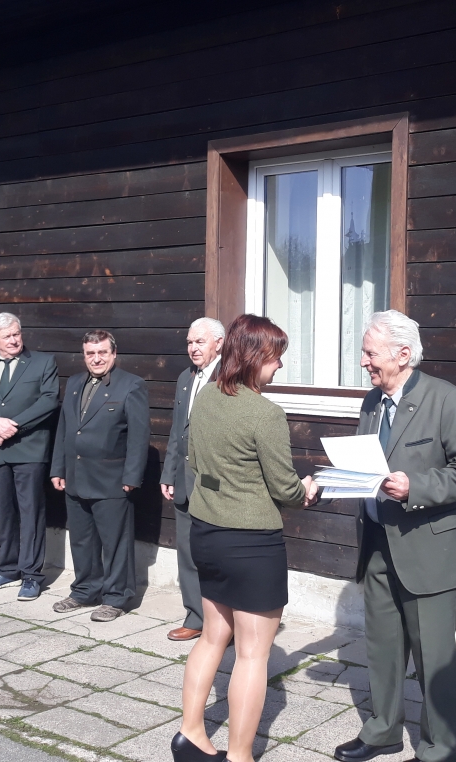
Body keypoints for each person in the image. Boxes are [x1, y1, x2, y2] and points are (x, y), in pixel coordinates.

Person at [334, 310, 456, 762]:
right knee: (382, 646)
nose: (363, 362)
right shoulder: (372, 402)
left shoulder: (445, 398)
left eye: (370, 353)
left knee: (434, 656)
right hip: (378, 542)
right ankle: (382, 730)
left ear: (403, 354)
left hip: (430, 548)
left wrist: (415, 487)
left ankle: (441, 749)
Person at [173, 313, 318, 762]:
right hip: (252, 545)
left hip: (206, 533)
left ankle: (190, 733)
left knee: (212, 637)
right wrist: (306, 489)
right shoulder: (265, 413)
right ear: (254, 357)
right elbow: (284, 488)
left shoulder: (206, 398)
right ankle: (239, 756)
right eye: (275, 358)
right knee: (253, 655)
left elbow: (196, 460)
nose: (279, 366)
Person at [50, 330, 150, 621]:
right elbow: (65, 429)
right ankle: (85, 590)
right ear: (84, 355)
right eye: (90, 353)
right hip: (75, 475)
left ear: (113, 354)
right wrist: (58, 468)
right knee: (81, 540)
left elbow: (139, 435)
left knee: (115, 543)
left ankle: (117, 597)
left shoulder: (131, 385)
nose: (96, 359)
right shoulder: (74, 383)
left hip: (112, 479)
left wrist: (132, 476)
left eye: (102, 352)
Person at [0, 313, 58, 601]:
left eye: (17, 334)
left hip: (29, 449)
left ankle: (31, 575)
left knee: (30, 513)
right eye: (7, 336)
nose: (14, 340)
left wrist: (11, 426)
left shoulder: (43, 362)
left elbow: (49, 400)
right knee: (3, 512)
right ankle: (7, 568)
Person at [160, 317, 225, 641]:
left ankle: (223, 623)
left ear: (219, 343)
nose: (193, 348)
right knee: (187, 551)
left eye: (200, 341)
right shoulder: (185, 378)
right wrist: (169, 473)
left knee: (217, 552)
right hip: (185, 480)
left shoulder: (230, 378)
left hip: (214, 481)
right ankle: (195, 616)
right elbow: (177, 430)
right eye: (189, 342)